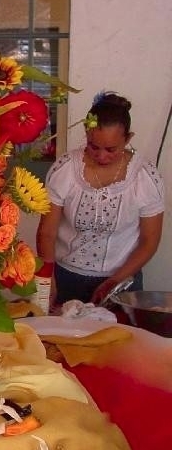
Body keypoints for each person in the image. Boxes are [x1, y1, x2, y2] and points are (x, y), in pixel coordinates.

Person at [36, 91, 165, 308]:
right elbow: (47, 232)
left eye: (111, 149)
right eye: (93, 146)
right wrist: (47, 278)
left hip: (122, 281)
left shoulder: (144, 177)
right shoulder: (66, 169)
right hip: (66, 278)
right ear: (86, 133)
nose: (101, 156)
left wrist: (114, 282)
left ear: (128, 138)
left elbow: (149, 241)